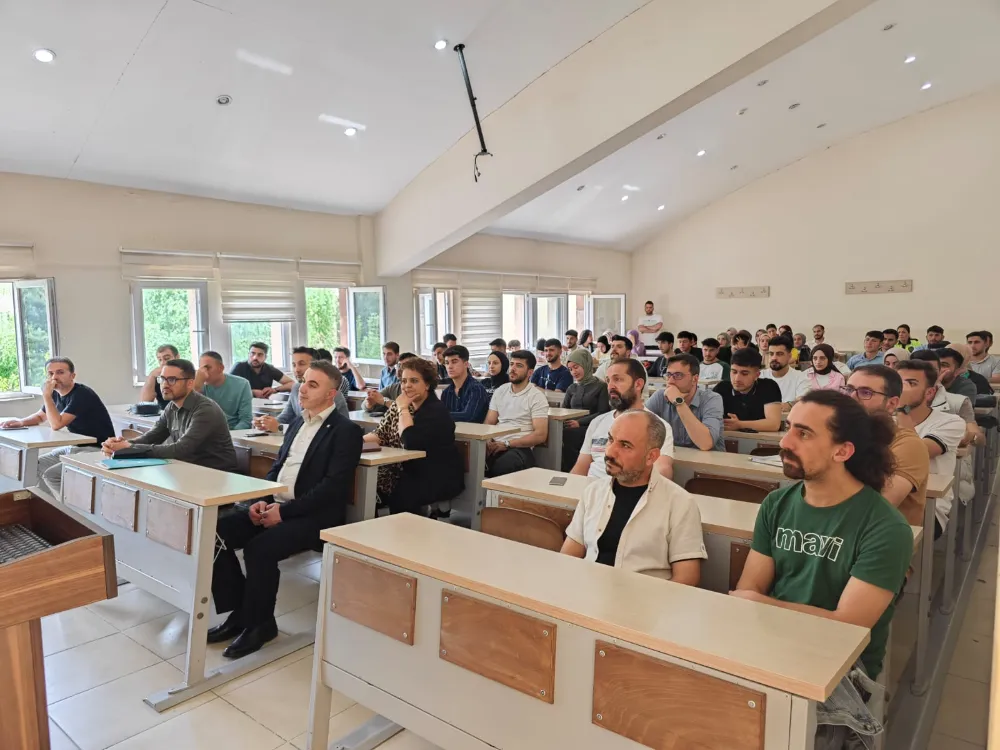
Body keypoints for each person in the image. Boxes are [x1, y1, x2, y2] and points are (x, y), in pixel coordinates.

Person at [732, 390, 912, 746]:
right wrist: (756, 606)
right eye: (788, 428)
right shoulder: (777, 503)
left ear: (842, 451)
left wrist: (760, 604)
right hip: (773, 643)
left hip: (840, 671)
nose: (784, 442)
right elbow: (750, 587)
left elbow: (847, 626)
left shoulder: (885, 528)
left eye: (803, 433)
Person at [207, 360, 363, 658]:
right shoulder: (297, 424)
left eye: (313, 385)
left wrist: (284, 513)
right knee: (216, 532)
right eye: (303, 382)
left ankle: (261, 624)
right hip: (276, 506)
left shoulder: (345, 431)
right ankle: (240, 612)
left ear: (331, 394)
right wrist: (261, 500)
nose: (302, 388)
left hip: (313, 516)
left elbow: (332, 488)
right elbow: (277, 469)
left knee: (259, 549)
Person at [561, 411, 706, 583]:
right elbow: (568, 556)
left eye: (625, 445)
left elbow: (687, 578)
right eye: (610, 440)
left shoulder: (680, 503)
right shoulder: (593, 492)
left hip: (646, 597)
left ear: (651, 457)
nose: (610, 452)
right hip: (589, 591)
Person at [1, 357, 114, 497]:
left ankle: (68, 507)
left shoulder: (82, 394)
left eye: (60, 372)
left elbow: (56, 424)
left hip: (97, 449)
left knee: (51, 475)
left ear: (72, 375)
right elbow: (40, 416)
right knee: (33, 467)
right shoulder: (55, 394)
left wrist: (46, 396)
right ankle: (49, 505)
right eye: (50, 373)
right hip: (76, 447)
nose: (54, 377)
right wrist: (21, 422)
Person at [363, 357, 464, 514]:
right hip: (403, 469)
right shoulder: (399, 406)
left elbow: (410, 441)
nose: (407, 385)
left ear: (427, 385)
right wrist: (356, 441)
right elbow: (380, 434)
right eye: (404, 381)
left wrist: (403, 409)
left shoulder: (436, 411)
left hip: (435, 475)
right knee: (362, 479)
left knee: (397, 492)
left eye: (414, 381)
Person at [101, 359, 237, 472]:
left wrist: (129, 448)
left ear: (190, 383)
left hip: (217, 475)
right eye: (162, 379)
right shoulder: (171, 407)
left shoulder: (205, 410)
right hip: (189, 471)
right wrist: (121, 445)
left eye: (172, 380)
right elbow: (151, 437)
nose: (165, 385)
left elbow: (181, 450)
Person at [843, 366, 929, 527]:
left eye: (865, 392)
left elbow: (874, 510)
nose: (852, 397)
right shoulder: (838, 435)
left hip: (878, 536)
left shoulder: (908, 444)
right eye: (848, 389)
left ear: (891, 404)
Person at [895, 360, 965, 536]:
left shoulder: (950, 422)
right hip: (888, 495)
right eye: (898, 383)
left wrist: (901, 408)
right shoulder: (884, 420)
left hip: (928, 505)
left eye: (911, 383)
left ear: (930, 392)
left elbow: (915, 454)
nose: (901, 389)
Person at [572, 358, 673, 479]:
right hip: (590, 487)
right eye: (608, 380)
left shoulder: (657, 426)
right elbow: (580, 467)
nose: (610, 386)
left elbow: (662, 471)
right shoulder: (598, 422)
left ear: (638, 384)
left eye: (617, 379)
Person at [484, 350, 549, 476]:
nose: (513, 369)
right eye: (511, 364)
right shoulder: (501, 391)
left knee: (501, 466)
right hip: (496, 444)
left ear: (530, 372)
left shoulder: (536, 396)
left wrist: (507, 444)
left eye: (519, 366)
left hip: (519, 448)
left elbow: (540, 435)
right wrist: (487, 442)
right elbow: (489, 422)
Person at [646, 354, 725, 451]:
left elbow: (706, 443)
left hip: (708, 460)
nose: (670, 381)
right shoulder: (660, 396)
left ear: (695, 379)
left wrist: (678, 402)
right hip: (673, 458)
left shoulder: (712, 399)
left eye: (678, 375)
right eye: (668, 375)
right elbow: (639, 427)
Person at [258, 347, 349, 428]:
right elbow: (285, 417)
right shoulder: (296, 388)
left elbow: (319, 429)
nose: (296, 370)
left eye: (301, 364)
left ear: (316, 365)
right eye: (294, 365)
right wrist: (267, 423)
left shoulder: (329, 392)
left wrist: (279, 428)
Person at [559, 349, 611, 470]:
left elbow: (603, 412)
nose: (573, 372)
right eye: (570, 369)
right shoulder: (572, 388)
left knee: (568, 435)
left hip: (591, 426)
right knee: (556, 433)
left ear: (585, 364)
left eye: (576, 367)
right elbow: (564, 410)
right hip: (570, 425)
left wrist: (579, 422)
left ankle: (573, 470)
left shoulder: (600, 386)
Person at [713, 348, 782, 432]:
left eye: (744, 374)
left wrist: (740, 424)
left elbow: (773, 424)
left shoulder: (769, 387)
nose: (737, 379)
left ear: (757, 375)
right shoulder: (721, 388)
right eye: (734, 372)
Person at [197, 351, 253, 429]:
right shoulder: (198, 385)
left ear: (221, 368)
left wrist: (231, 434)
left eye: (207, 368)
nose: (203, 373)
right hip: (205, 432)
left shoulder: (242, 384)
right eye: (201, 369)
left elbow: (246, 420)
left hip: (232, 431)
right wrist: (197, 385)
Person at [440, 345, 489, 423]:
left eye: (454, 362)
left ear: (466, 364)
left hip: (474, 430)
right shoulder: (446, 392)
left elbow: (469, 416)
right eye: (447, 363)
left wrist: (437, 415)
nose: (449, 366)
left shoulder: (476, 389)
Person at [762, 336, 811, 411]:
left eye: (779, 354)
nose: (774, 358)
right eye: (771, 354)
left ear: (789, 356)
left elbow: (804, 400)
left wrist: (789, 405)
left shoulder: (801, 377)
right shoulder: (760, 376)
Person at [139, 344, 178, 408]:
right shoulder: (158, 378)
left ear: (177, 357)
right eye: (160, 359)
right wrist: (151, 376)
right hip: (163, 412)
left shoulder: (188, 375)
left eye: (167, 358)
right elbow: (144, 404)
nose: (162, 363)